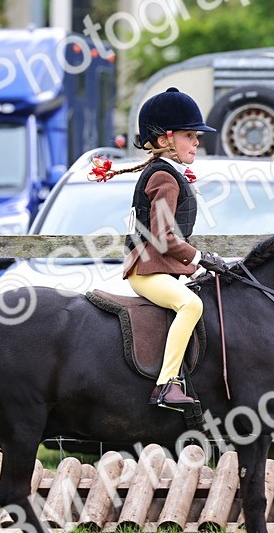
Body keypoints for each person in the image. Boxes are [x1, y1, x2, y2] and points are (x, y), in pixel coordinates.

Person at [87, 88, 227, 410]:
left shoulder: (166, 172)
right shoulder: (164, 176)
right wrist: (198, 258)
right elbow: (164, 236)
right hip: (146, 270)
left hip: (156, 266)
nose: (196, 142)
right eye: (189, 135)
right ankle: (166, 384)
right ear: (165, 140)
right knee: (191, 306)